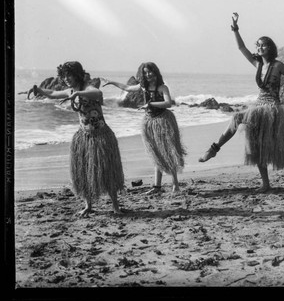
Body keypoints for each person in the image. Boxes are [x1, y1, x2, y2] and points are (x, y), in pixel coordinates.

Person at [198, 13, 284, 193]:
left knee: (239, 119)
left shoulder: (278, 66)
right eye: (258, 45)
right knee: (254, 141)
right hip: (258, 105)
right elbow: (241, 47)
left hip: (271, 108)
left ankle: (215, 149)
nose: (260, 47)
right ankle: (261, 180)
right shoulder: (257, 65)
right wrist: (235, 29)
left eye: (264, 45)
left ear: (270, 48)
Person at [30, 61, 125, 216]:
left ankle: (115, 206)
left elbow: (98, 94)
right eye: (64, 76)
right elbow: (53, 94)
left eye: (70, 75)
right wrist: (38, 89)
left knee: (108, 172)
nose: (67, 78)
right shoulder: (70, 91)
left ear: (77, 74)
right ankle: (88, 205)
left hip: (101, 136)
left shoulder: (87, 87)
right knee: (83, 172)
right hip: (83, 137)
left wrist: (79, 94)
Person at [102, 62, 186, 195]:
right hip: (149, 122)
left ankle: (175, 184)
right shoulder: (143, 87)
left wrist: (151, 104)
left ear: (155, 72)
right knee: (156, 154)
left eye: (150, 72)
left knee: (168, 153)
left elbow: (168, 103)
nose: (148, 74)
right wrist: (112, 82)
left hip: (163, 121)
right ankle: (157, 187)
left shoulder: (162, 87)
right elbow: (127, 88)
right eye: (145, 73)